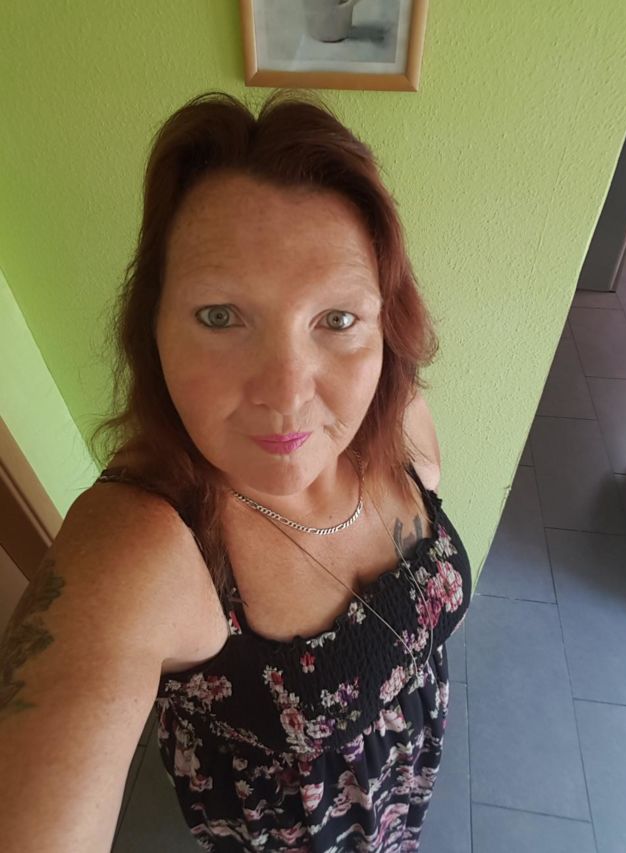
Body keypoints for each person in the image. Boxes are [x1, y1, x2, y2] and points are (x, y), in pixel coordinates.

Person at [0, 89, 471, 852]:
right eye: (220, 316)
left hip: (401, 787)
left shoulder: (395, 413)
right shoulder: (142, 542)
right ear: (152, 328)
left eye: (337, 319)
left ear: (385, 323)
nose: (286, 393)